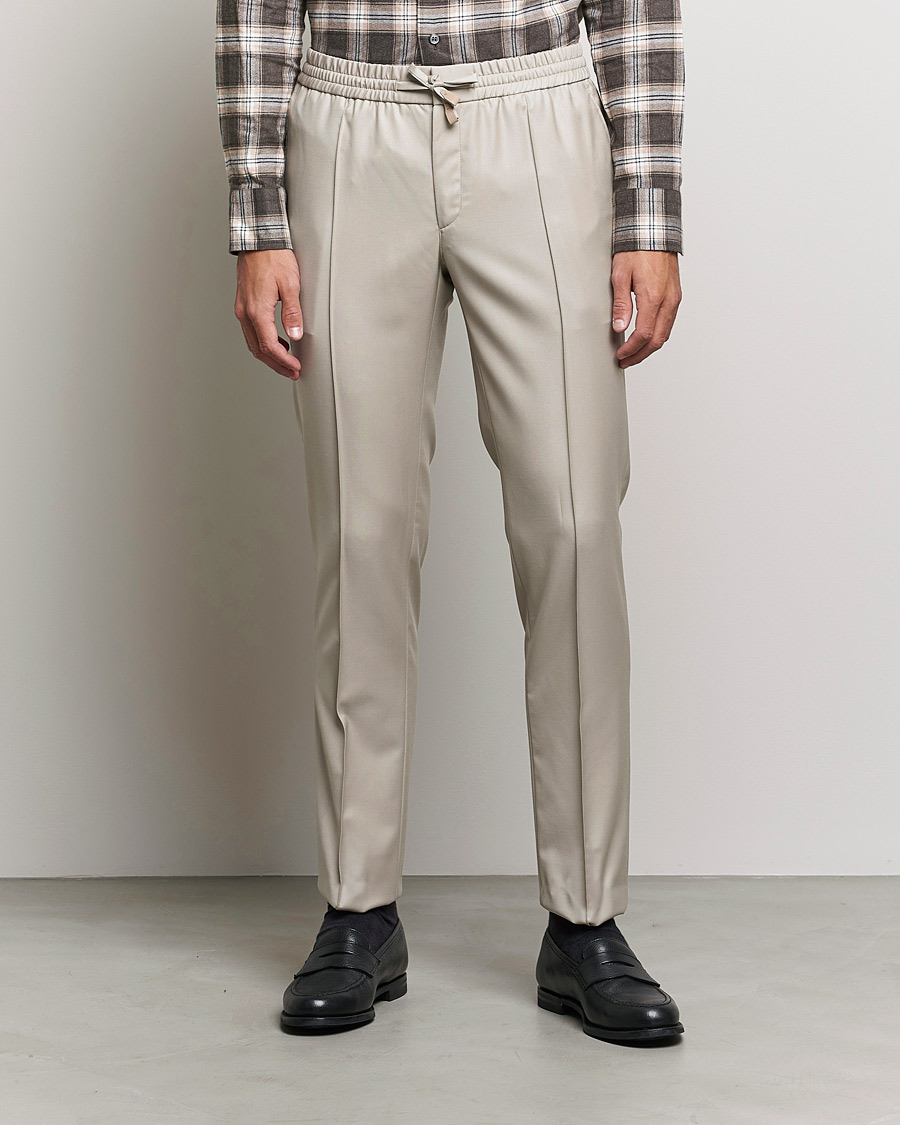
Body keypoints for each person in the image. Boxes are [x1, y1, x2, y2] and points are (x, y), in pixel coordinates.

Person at [216, 0, 685, 1042]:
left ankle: (587, 920)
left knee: (575, 523)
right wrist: (258, 216)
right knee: (363, 530)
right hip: (347, 114)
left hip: (540, 111)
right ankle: (358, 909)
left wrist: (650, 213)